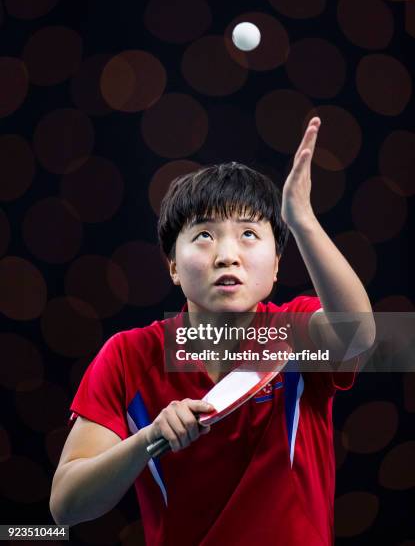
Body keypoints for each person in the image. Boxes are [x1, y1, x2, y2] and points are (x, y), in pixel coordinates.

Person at [50, 117, 375, 545]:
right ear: (172, 266)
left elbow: (358, 336)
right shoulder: (129, 355)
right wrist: (150, 439)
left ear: (277, 265)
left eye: (248, 234)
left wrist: (302, 221)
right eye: (204, 235)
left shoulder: (295, 332)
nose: (227, 255)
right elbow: (66, 505)